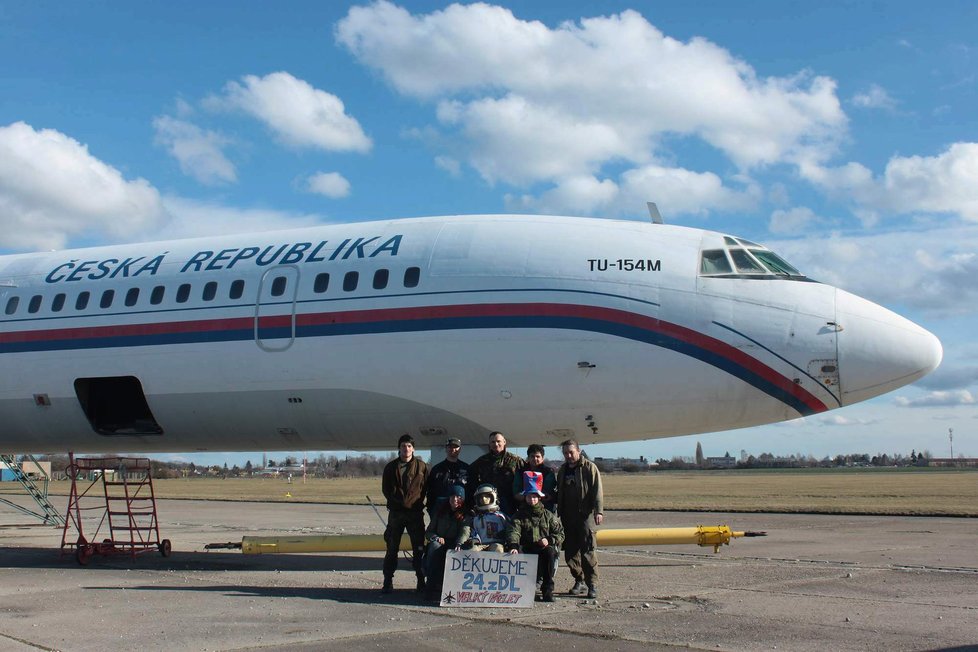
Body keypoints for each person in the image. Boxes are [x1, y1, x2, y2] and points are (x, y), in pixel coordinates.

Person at [505, 471, 564, 602]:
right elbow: (514, 531)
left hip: (543, 548)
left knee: (550, 553)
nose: (532, 500)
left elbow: (560, 533)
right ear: (525, 497)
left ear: (539, 498)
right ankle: (526, 589)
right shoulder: (519, 516)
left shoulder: (548, 515)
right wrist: (514, 545)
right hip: (526, 548)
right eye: (529, 497)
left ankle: (547, 590)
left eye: (535, 497)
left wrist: (549, 540)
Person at [380, 433, 428, 594]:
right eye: (403, 446)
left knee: (419, 549)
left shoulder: (422, 467)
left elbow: (427, 487)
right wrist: (396, 502)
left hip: (415, 514)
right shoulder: (391, 467)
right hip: (396, 514)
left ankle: (421, 580)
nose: (406, 449)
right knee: (392, 548)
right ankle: (387, 580)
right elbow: (386, 489)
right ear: (399, 448)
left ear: (413, 448)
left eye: (408, 446)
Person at [556, 439, 603, 599]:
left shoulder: (589, 468)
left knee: (588, 551)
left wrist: (599, 511)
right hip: (567, 516)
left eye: (571, 452)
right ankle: (579, 579)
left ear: (579, 451)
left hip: (585, 515)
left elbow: (597, 490)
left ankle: (592, 584)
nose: (568, 455)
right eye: (565, 453)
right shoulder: (562, 470)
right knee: (570, 552)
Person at [422, 485, 467, 600]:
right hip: (441, 541)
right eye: (452, 496)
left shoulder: (465, 515)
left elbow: (465, 532)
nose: (455, 499)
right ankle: (430, 586)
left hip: (455, 543)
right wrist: (436, 537)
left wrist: (459, 543)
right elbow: (429, 532)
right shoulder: (440, 512)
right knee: (434, 547)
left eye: (458, 497)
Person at [470, 431, 524, 516]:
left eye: (498, 441)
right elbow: (471, 474)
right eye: (493, 442)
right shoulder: (482, 461)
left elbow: (525, 478)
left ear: (504, 442)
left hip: (510, 502)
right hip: (488, 502)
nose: (496, 444)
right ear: (489, 444)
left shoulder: (516, 460)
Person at [425, 437, 470, 518]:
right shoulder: (437, 469)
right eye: (450, 447)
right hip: (441, 512)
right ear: (446, 449)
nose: (453, 449)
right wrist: (431, 510)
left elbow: (471, 490)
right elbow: (430, 492)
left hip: (461, 513)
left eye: (456, 447)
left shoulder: (466, 469)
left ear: (460, 449)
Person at [460, 484, 509, 553]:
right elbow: (473, 531)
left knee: (498, 549)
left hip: (497, 543)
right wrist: (474, 539)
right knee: (472, 551)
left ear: (493, 497)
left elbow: (510, 529)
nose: (483, 499)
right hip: (481, 544)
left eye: (487, 496)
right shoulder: (475, 517)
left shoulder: (501, 516)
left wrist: (505, 534)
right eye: (481, 497)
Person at [513, 444, 557, 512]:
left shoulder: (548, 472)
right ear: (528, 457)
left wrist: (536, 498)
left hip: (544, 509)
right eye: (532, 456)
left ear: (542, 458)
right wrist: (528, 498)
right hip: (525, 509)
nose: (535, 459)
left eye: (538, 456)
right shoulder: (520, 472)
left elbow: (548, 493)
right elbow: (516, 492)